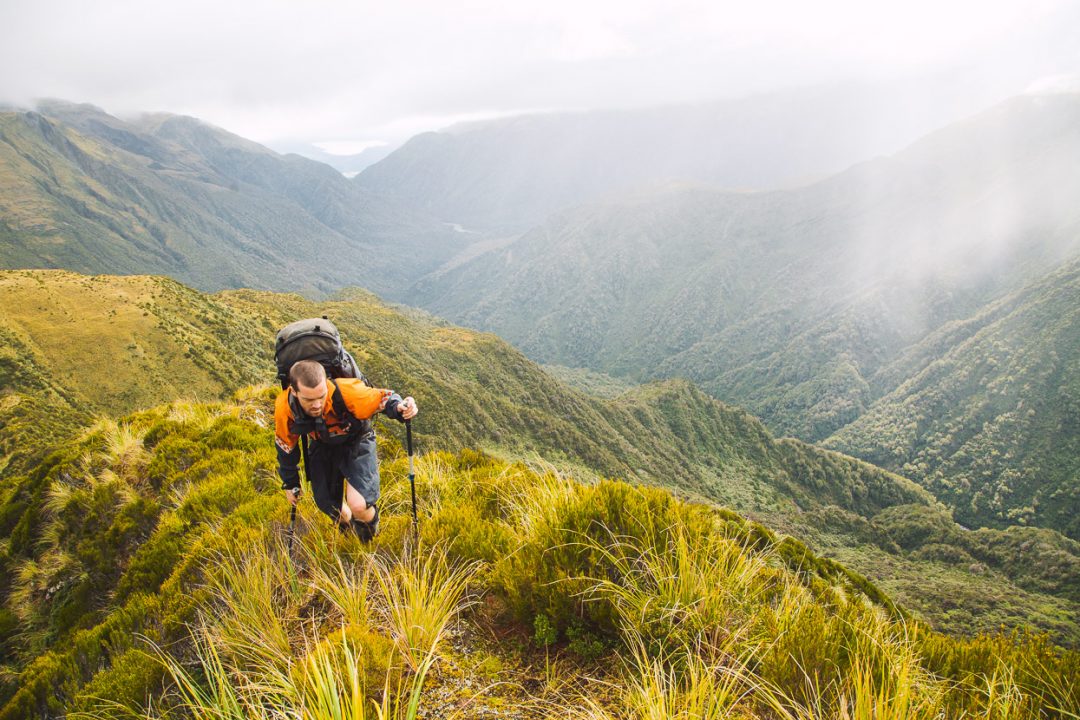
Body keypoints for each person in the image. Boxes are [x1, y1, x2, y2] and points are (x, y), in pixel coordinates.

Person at [274, 359, 418, 541]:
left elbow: (383, 399)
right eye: (309, 399)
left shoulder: (346, 391)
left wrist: (400, 407)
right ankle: (349, 536)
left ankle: (368, 542)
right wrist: (290, 483)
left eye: (321, 396)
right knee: (329, 506)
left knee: (359, 505)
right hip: (322, 446)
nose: (317, 404)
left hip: (356, 440)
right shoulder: (285, 408)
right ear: (294, 391)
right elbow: (286, 447)